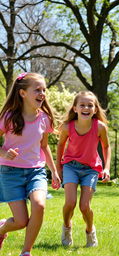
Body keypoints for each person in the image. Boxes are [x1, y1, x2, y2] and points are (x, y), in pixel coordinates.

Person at [0, 72, 61, 256]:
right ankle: (2, 229)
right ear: (23, 93)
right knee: (20, 221)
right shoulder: (8, 116)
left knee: (39, 205)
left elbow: (44, 146)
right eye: (37, 90)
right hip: (10, 173)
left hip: (36, 171)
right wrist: (4, 152)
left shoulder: (44, 118)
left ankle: (26, 252)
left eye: (44, 90)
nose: (42, 93)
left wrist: (54, 171)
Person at [56, 91, 111, 248]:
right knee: (70, 202)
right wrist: (58, 168)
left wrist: (106, 168)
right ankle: (67, 227)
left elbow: (106, 147)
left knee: (84, 206)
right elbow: (60, 146)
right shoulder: (68, 127)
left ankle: (90, 231)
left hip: (91, 169)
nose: (86, 108)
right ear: (75, 108)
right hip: (70, 166)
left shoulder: (100, 127)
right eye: (82, 105)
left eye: (90, 105)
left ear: (95, 109)